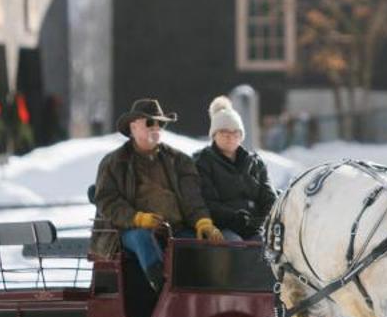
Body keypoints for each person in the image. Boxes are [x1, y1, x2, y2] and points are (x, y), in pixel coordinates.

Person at [90, 98, 223, 291]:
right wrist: (138, 218)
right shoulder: (114, 162)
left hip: (174, 228)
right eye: (149, 122)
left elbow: (192, 197)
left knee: (198, 244)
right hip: (127, 231)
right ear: (133, 127)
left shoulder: (179, 161)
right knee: (143, 239)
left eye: (159, 123)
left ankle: (204, 297)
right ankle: (164, 290)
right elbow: (107, 201)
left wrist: (203, 222)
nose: (156, 128)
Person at [192, 95, 276, 240]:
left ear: (241, 135)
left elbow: (268, 196)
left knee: (267, 246)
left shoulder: (255, 162)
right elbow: (207, 201)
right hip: (222, 227)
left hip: (255, 227)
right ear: (214, 135)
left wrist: (263, 220)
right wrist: (235, 218)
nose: (230, 137)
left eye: (235, 132)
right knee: (235, 244)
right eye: (224, 132)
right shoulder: (202, 161)